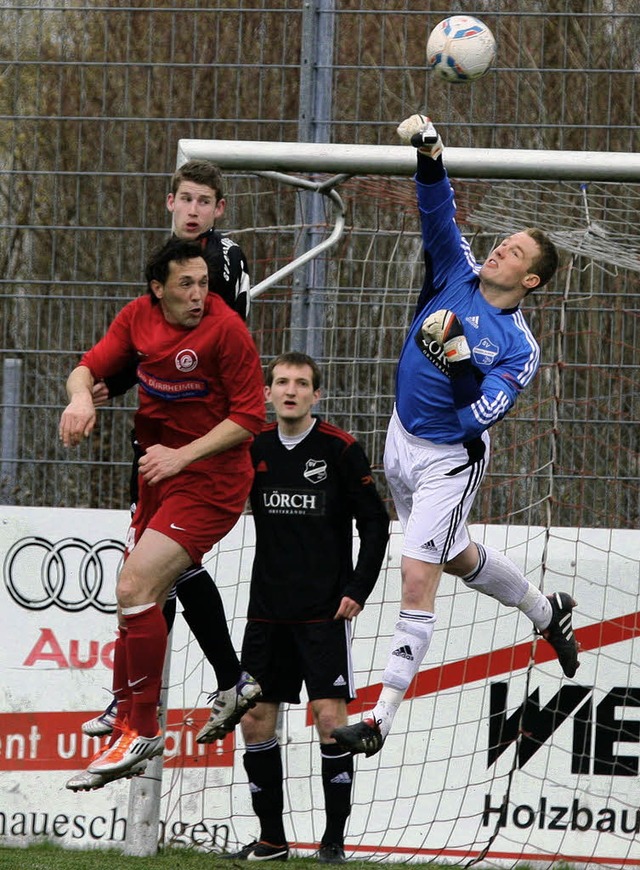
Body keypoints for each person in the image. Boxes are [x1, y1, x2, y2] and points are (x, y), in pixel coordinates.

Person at [331, 115, 579, 760]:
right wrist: (430, 152)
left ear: (530, 281)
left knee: (417, 577)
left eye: (516, 252)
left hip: (449, 458)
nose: (499, 249)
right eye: (503, 242)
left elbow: (480, 417)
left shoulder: (519, 349)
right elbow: (436, 207)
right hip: (401, 441)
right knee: (456, 556)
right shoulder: (456, 273)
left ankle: (379, 719)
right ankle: (546, 612)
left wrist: (462, 359)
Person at [60, 237, 265, 789]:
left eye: (203, 283)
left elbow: (249, 418)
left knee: (135, 586)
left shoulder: (226, 331)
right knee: (135, 592)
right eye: (186, 285)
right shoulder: (137, 317)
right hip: (159, 474)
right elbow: (88, 366)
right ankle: (127, 712)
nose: (200, 295)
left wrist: (182, 456)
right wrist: (81, 397)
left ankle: (142, 729)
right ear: (158, 289)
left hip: (211, 480)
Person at [221, 352, 390, 863]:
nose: (290, 391)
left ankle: (333, 842)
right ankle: (272, 839)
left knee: (331, 722)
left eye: (300, 383)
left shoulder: (340, 450)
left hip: (324, 613)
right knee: (254, 722)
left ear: (317, 394)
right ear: (268, 393)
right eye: (281, 382)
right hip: (267, 611)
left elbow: (376, 525)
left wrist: (358, 590)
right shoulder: (253, 447)